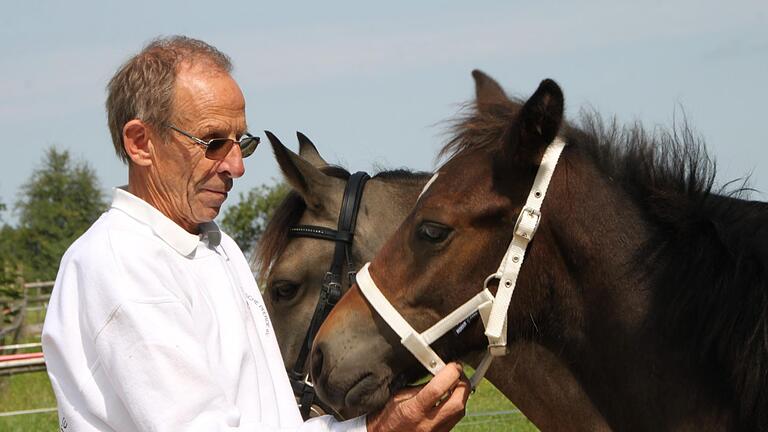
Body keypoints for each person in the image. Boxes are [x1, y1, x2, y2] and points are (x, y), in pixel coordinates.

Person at [41, 36, 469, 432]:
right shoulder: (122, 263)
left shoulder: (214, 246)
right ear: (140, 143)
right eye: (211, 142)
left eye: (240, 143)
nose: (236, 167)